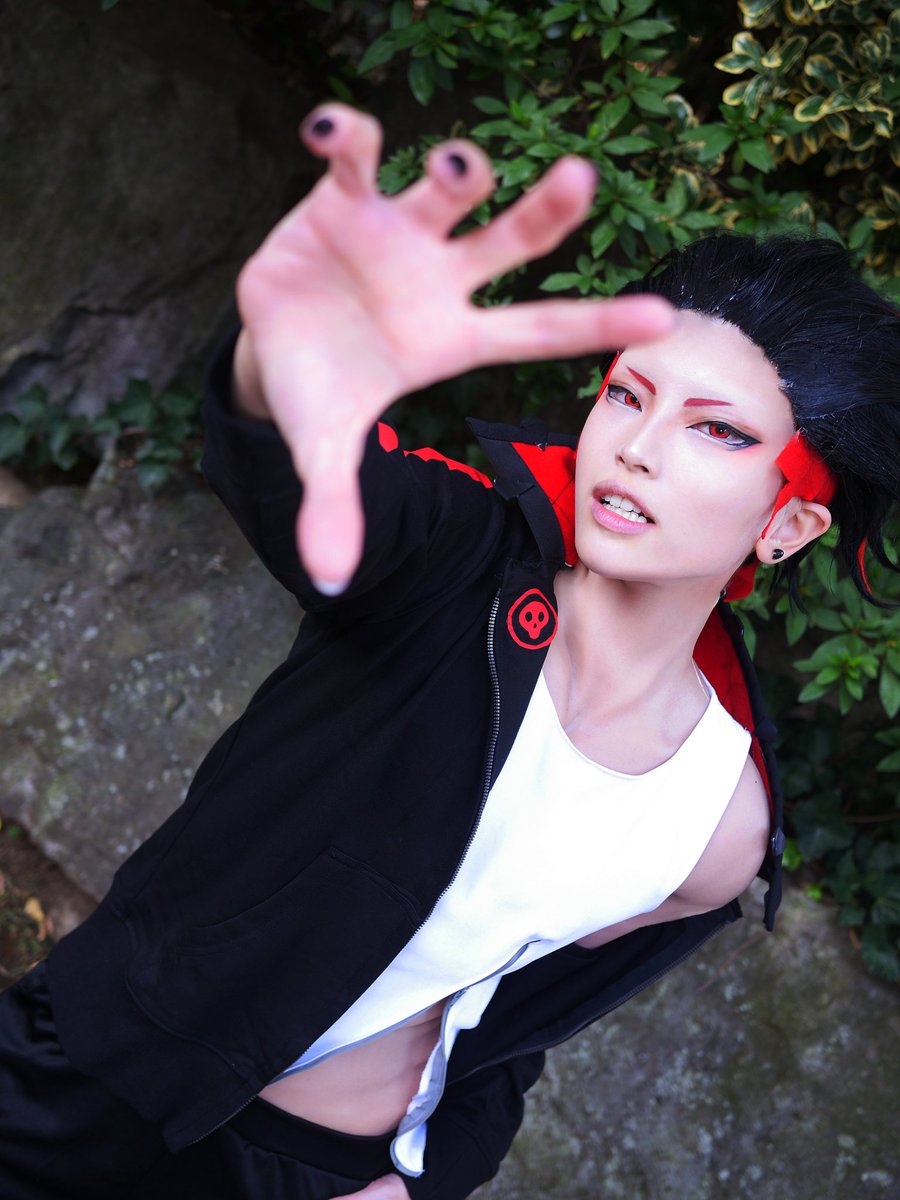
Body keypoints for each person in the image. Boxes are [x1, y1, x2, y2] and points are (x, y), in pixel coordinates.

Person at [0, 103, 897, 1200]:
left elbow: (510, 1025)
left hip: (316, 1175)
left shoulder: (717, 828)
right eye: (627, 393)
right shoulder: (456, 557)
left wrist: (421, 1185)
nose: (639, 448)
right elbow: (293, 467)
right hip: (87, 1083)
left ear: (789, 523)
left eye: (719, 430)